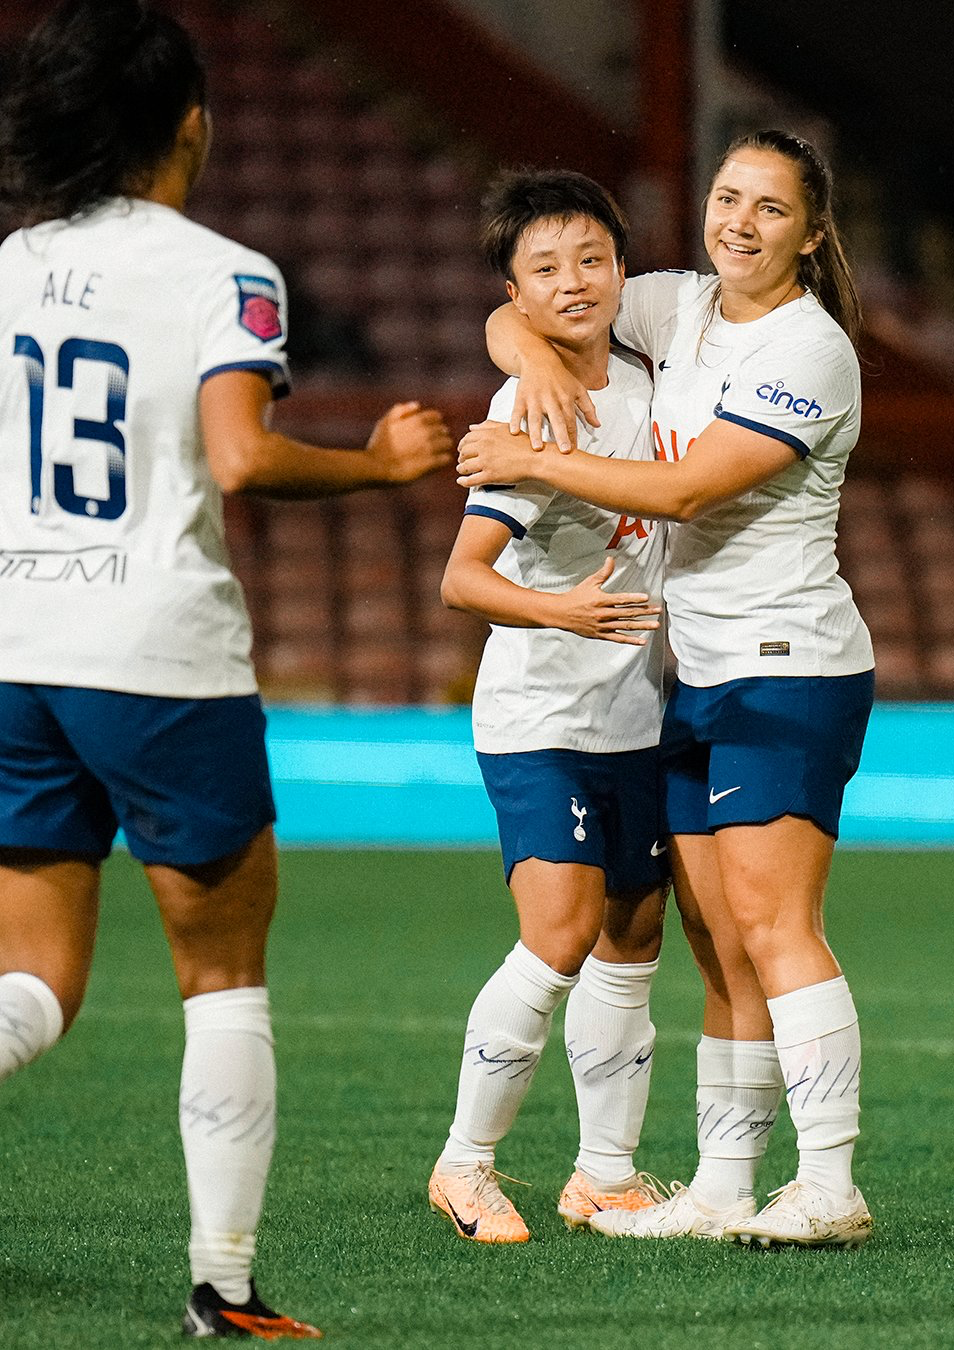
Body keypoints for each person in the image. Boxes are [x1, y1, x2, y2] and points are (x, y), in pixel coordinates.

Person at [0, 0, 452, 1339]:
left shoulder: (12, 263)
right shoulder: (223, 272)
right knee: (224, 967)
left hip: (18, 643)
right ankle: (227, 1285)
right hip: (154, 651)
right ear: (189, 122)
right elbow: (244, 456)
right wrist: (380, 459)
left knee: (33, 979)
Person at [458, 129, 876, 1249]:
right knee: (719, 945)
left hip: (788, 664)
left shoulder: (809, 348)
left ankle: (829, 1182)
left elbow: (687, 490)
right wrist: (533, 363)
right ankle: (727, 1188)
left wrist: (533, 455)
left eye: (771, 210)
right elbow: (541, 297)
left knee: (776, 925)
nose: (739, 222)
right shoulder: (681, 305)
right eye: (728, 197)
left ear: (811, 233)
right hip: (698, 676)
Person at [427, 169, 670, 1244]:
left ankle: (606, 1175)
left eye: (591, 259)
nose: (574, 283)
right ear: (515, 294)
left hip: (643, 712)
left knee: (632, 935)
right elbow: (462, 578)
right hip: (539, 716)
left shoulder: (658, 368)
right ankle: (465, 1167)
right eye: (544, 270)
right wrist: (558, 614)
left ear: (622, 265)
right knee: (561, 932)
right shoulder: (523, 406)